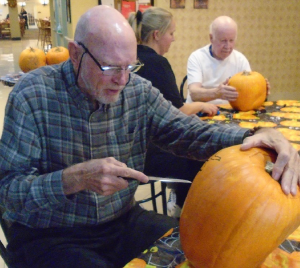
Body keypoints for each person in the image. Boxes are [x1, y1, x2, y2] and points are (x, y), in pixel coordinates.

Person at [0, 5, 299, 268]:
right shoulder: (33, 95)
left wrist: (258, 134)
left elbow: (190, 133)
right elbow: (8, 191)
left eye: (130, 66)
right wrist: (73, 178)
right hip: (50, 234)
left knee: (201, 251)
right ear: (76, 54)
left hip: (122, 222)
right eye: (110, 68)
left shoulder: (137, 91)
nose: (123, 80)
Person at [128, 7, 218, 218]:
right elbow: (177, 113)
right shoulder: (157, 63)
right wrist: (201, 106)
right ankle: (189, 213)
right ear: (157, 35)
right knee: (202, 156)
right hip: (150, 155)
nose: (173, 39)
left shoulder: (131, 61)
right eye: (171, 33)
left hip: (130, 150)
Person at [186, 15, 270, 105]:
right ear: (211, 38)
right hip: (200, 112)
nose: (228, 46)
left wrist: (261, 92)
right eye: (223, 40)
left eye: (231, 40)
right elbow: (194, 93)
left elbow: (248, 94)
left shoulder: (240, 60)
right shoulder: (197, 57)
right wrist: (217, 93)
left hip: (230, 112)